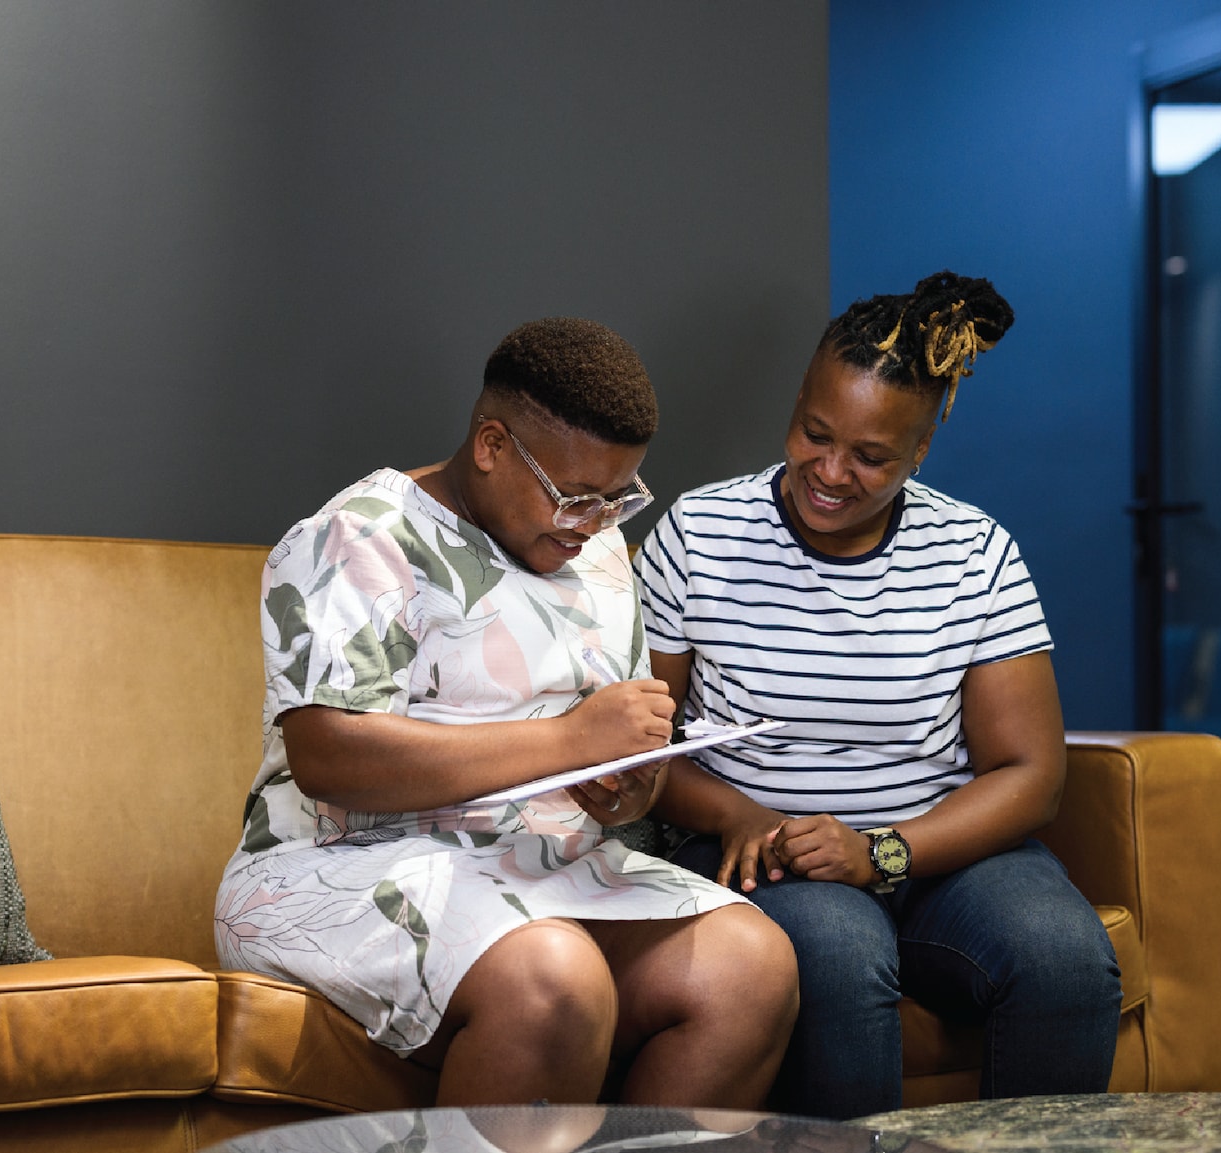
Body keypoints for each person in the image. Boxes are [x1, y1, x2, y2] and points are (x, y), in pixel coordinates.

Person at [215, 317, 798, 1109]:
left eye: (615, 497)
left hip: (537, 868)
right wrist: (564, 742)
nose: (592, 522)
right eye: (573, 497)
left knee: (751, 965)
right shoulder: (359, 536)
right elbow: (328, 757)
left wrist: (629, 787)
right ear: (491, 444)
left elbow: (623, 758)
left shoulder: (597, 554)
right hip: (337, 868)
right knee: (554, 976)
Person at [635, 272, 1121, 1119]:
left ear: (922, 450)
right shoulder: (699, 531)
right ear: (797, 401)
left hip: (937, 853)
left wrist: (884, 850)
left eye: (871, 457)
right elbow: (638, 747)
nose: (830, 472)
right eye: (814, 433)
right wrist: (737, 816)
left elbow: (1030, 773)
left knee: (1062, 954)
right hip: (770, 856)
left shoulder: (976, 552)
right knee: (836, 948)